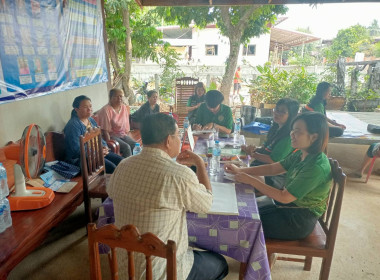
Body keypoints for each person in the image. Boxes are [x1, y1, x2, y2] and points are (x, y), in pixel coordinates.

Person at [107, 113, 228, 280]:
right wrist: (200, 163)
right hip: (163, 271)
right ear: (168, 140)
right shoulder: (179, 175)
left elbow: (111, 192)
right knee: (220, 263)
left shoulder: (123, 165)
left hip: (125, 268)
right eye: (178, 135)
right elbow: (206, 203)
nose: (179, 140)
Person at [225, 112, 332, 240]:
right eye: (292, 130)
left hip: (297, 220)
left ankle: (257, 257)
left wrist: (251, 180)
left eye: (297, 131)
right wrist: (241, 170)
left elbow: (285, 197)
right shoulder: (302, 154)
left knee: (241, 221)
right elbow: (273, 168)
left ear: (314, 137)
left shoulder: (316, 167)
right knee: (241, 209)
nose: (291, 134)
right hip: (287, 208)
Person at [242, 98, 300, 189]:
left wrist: (253, 154)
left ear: (291, 115)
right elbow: (267, 148)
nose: (277, 113)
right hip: (262, 168)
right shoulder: (276, 129)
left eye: (282, 112)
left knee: (240, 177)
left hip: (274, 177)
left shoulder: (288, 137)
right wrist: (253, 149)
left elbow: (273, 160)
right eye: (276, 109)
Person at [64, 95, 123, 174]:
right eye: (85, 107)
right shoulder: (73, 125)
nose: (89, 109)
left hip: (97, 153)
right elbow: (77, 150)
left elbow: (99, 137)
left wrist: (104, 146)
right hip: (81, 159)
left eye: (90, 106)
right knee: (112, 168)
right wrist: (97, 152)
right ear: (76, 109)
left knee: (122, 162)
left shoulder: (91, 120)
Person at [97, 88, 137, 158]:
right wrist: (109, 144)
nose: (119, 99)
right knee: (126, 147)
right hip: (111, 135)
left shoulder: (124, 107)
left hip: (122, 134)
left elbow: (126, 125)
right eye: (116, 96)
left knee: (135, 145)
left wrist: (126, 136)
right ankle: (125, 167)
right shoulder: (106, 110)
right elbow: (105, 131)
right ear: (110, 97)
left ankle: (136, 163)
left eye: (121, 96)